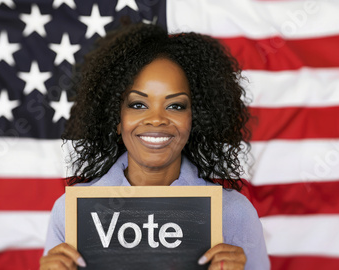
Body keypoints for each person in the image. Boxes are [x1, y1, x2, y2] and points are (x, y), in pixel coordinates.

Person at [40, 23, 270, 270]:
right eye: (138, 105)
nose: (157, 119)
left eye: (175, 106)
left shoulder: (234, 214)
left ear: (196, 119)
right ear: (116, 119)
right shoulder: (71, 213)